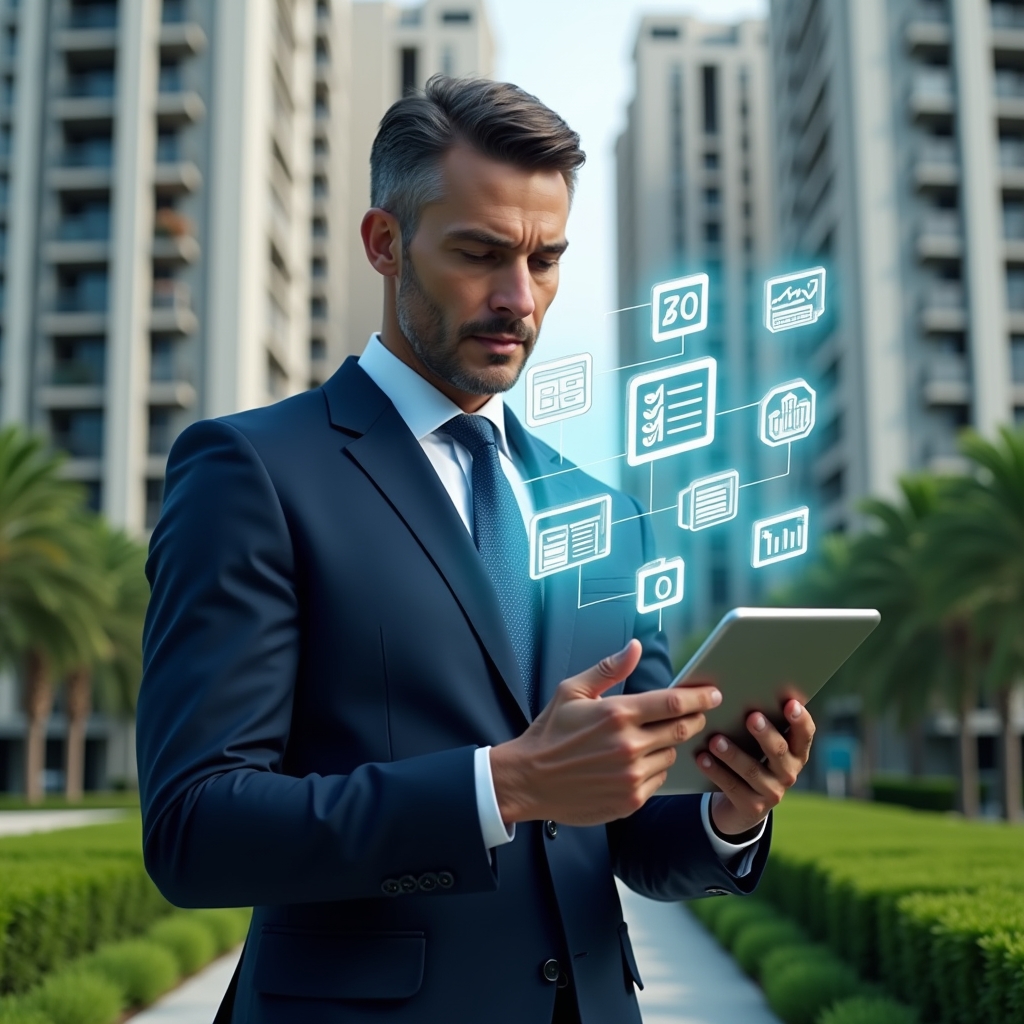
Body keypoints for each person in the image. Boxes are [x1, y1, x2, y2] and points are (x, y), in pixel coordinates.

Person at [137, 76, 815, 1024]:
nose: (519, 298)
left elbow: (636, 838)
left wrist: (730, 812)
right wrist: (506, 784)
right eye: (480, 253)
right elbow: (195, 829)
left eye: (546, 260)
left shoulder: (606, 516)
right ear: (385, 243)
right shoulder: (251, 471)